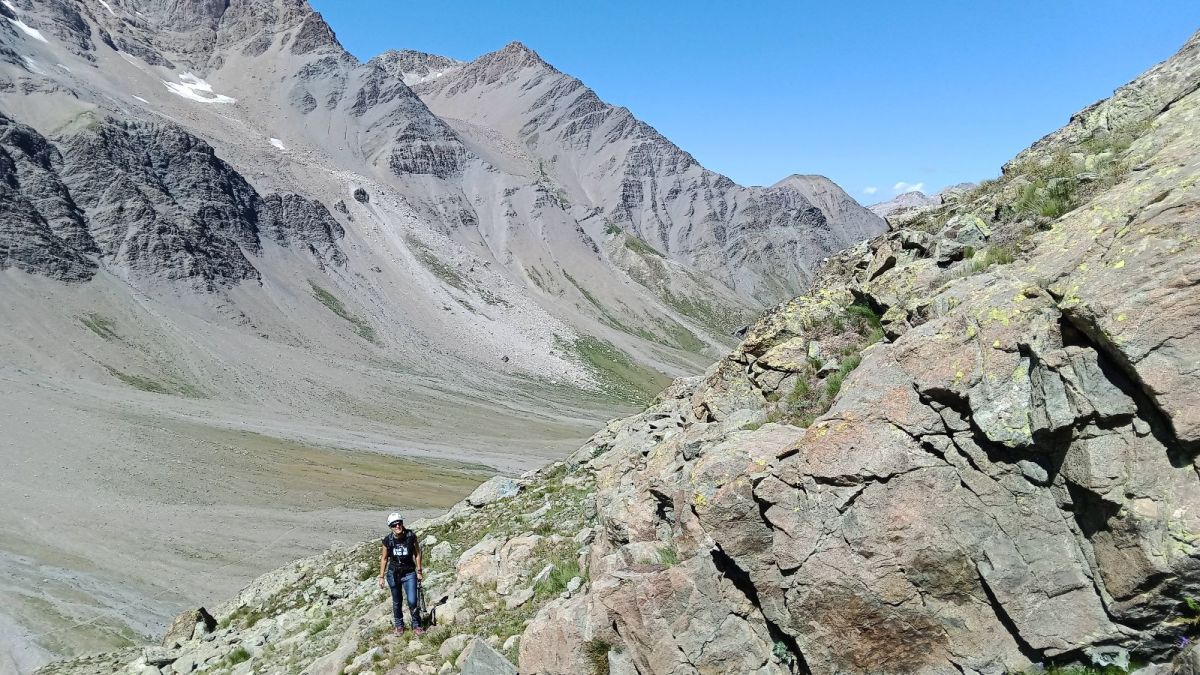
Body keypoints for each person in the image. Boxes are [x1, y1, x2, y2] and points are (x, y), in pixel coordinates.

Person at [378, 512, 424, 635]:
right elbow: (384, 558)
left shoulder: (411, 536)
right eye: (394, 525)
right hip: (394, 574)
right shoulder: (388, 540)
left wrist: (419, 571)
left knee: (412, 600)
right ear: (390, 527)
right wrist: (381, 576)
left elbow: (418, 553)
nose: (397, 526)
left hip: (409, 573)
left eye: (399, 523)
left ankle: (416, 625)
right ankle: (399, 626)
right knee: (397, 601)